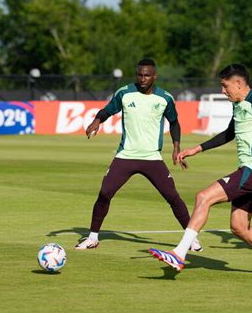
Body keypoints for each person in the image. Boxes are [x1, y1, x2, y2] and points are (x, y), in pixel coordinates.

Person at [149, 64, 252, 276]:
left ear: (239, 83)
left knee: (203, 197)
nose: (222, 91)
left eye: (225, 86)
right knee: (239, 227)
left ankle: (179, 253)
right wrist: (196, 149)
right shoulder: (239, 104)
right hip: (250, 171)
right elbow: (229, 133)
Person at [75, 58, 202, 251]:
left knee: (172, 197)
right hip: (126, 155)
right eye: (139, 75)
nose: (142, 78)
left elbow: (174, 123)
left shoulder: (165, 98)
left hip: (152, 158)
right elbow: (107, 110)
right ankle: (92, 237)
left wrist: (176, 147)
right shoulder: (125, 93)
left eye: (147, 75)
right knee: (105, 193)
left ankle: (191, 239)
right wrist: (97, 121)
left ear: (154, 76)